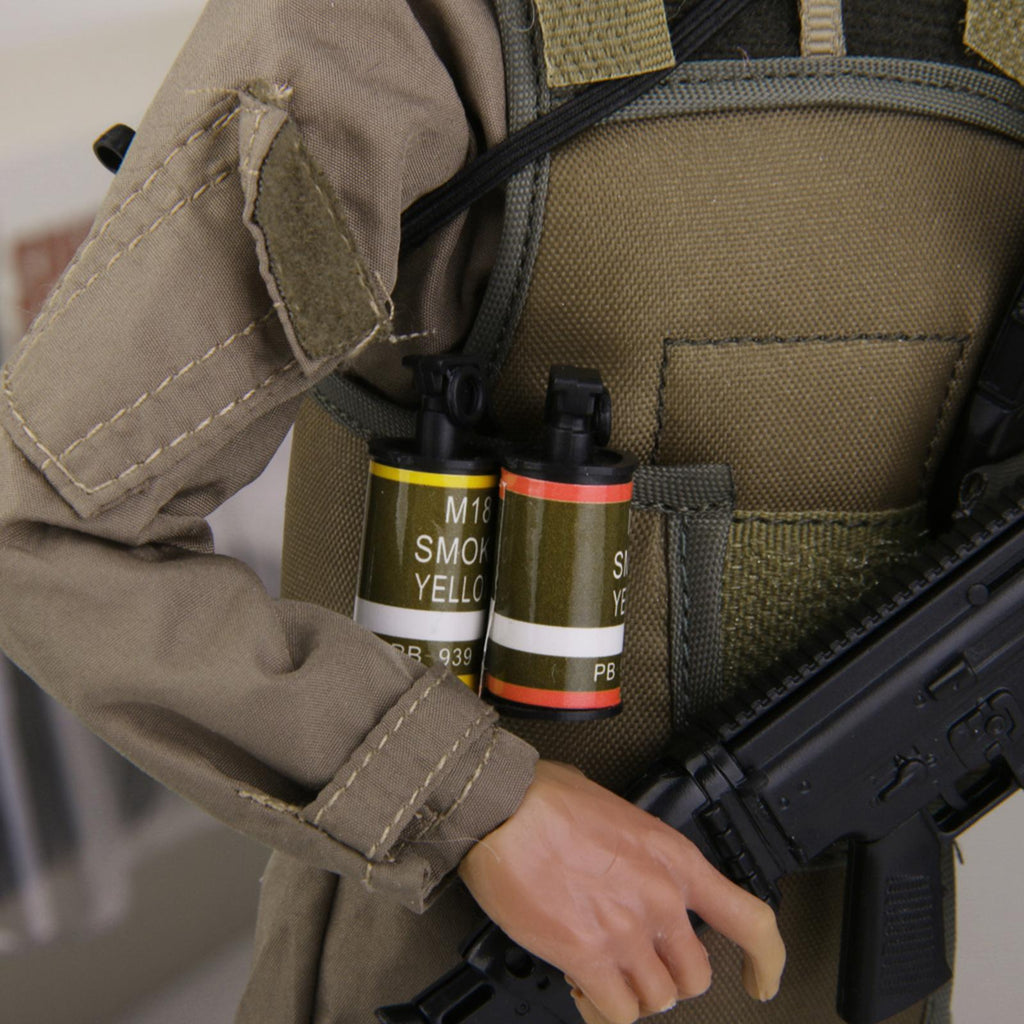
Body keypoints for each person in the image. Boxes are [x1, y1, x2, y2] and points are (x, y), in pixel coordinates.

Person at [3, 0, 1021, 1021]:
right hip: (479, 964)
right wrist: (467, 797)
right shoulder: (414, 25)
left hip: (856, 957)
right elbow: (44, 525)